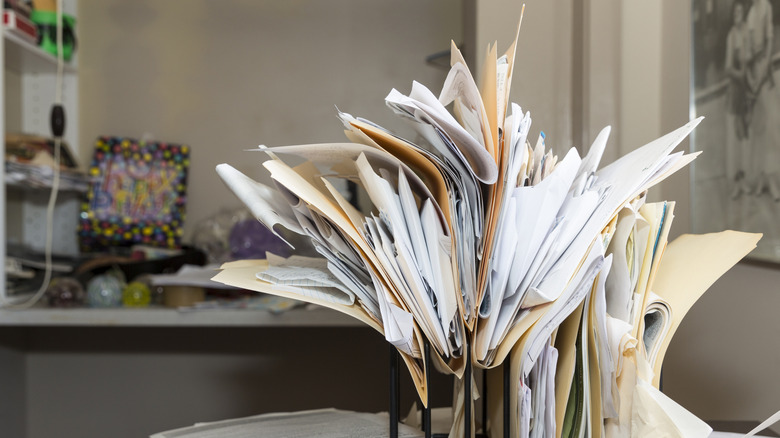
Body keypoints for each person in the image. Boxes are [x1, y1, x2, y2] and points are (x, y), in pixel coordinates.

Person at [725, 1, 752, 199]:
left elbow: (748, 60)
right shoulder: (732, 36)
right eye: (735, 12)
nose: (738, 15)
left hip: (746, 88)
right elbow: (728, 67)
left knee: (744, 135)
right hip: (735, 89)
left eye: (740, 12)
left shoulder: (745, 34)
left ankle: (743, 180)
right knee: (735, 136)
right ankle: (734, 182)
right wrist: (740, 73)